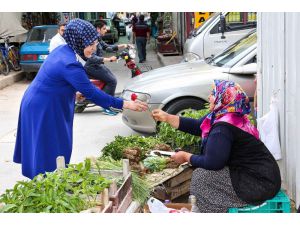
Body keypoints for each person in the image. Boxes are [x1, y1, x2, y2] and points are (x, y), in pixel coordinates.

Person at [13, 19, 148, 180]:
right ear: (78, 40)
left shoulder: (65, 50)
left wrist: (72, 91)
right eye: (90, 43)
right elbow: (93, 94)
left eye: (95, 42)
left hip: (40, 100)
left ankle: (49, 182)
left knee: (49, 145)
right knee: (48, 147)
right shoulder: (69, 63)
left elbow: (55, 79)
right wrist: (126, 104)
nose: (94, 47)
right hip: (44, 106)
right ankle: (47, 185)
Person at [152, 80, 281, 213]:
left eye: (213, 93)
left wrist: (186, 156)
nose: (209, 97)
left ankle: (212, 211)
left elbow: (213, 163)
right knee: (202, 174)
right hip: (260, 175)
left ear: (223, 97)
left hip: (260, 183)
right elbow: (197, 126)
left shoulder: (223, 127)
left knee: (202, 178)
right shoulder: (227, 114)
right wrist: (167, 117)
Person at [84, 19, 130, 115]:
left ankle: (110, 101)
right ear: (98, 29)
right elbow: (91, 57)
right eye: (104, 29)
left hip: (97, 65)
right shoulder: (91, 40)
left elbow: (107, 47)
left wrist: (124, 45)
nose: (106, 30)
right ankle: (106, 106)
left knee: (111, 78)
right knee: (112, 81)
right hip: (92, 67)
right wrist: (108, 59)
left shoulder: (98, 39)